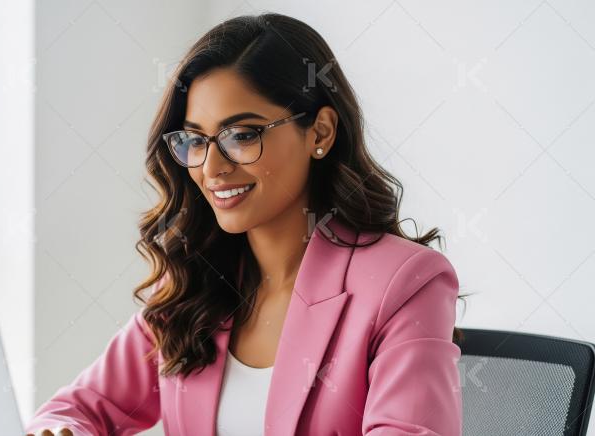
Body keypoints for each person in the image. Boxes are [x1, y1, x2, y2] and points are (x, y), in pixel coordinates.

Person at [25, 12, 465, 436]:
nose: (211, 168)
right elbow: (75, 409)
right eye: (195, 140)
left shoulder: (404, 284)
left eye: (242, 134)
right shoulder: (195, 286)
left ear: (320, 133)